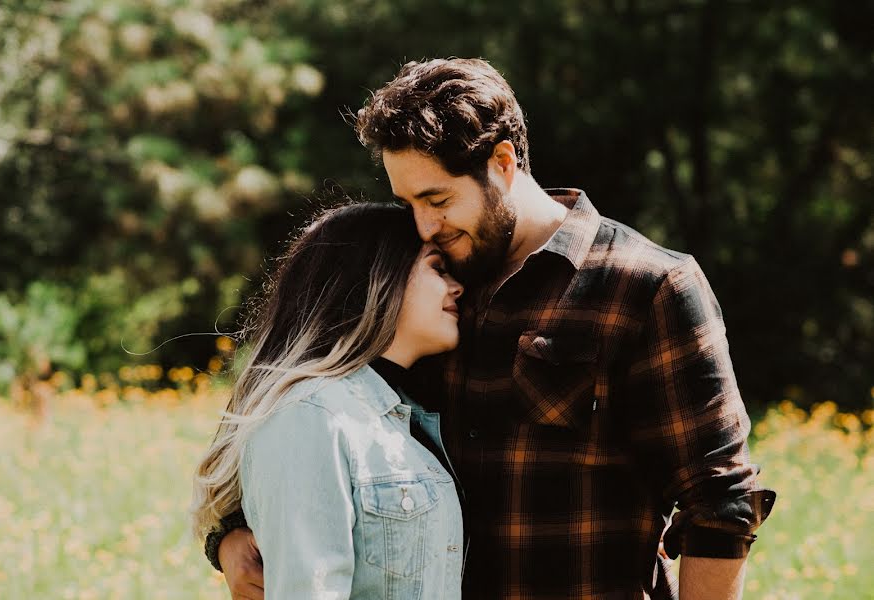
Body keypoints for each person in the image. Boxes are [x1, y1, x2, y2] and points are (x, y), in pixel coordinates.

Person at [206, 59, 776, 599]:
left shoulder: (647, 286)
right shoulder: (420, 288)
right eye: (408, 203)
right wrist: (231, 533)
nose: (425, 226)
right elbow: (298, 401)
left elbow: (719, 504)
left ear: (503, 164)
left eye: (438, 199)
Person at [191, 202, 466, 599]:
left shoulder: (402, 415)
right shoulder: (310, 415)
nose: (457, 287)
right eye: (436, 267)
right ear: (376, 276)